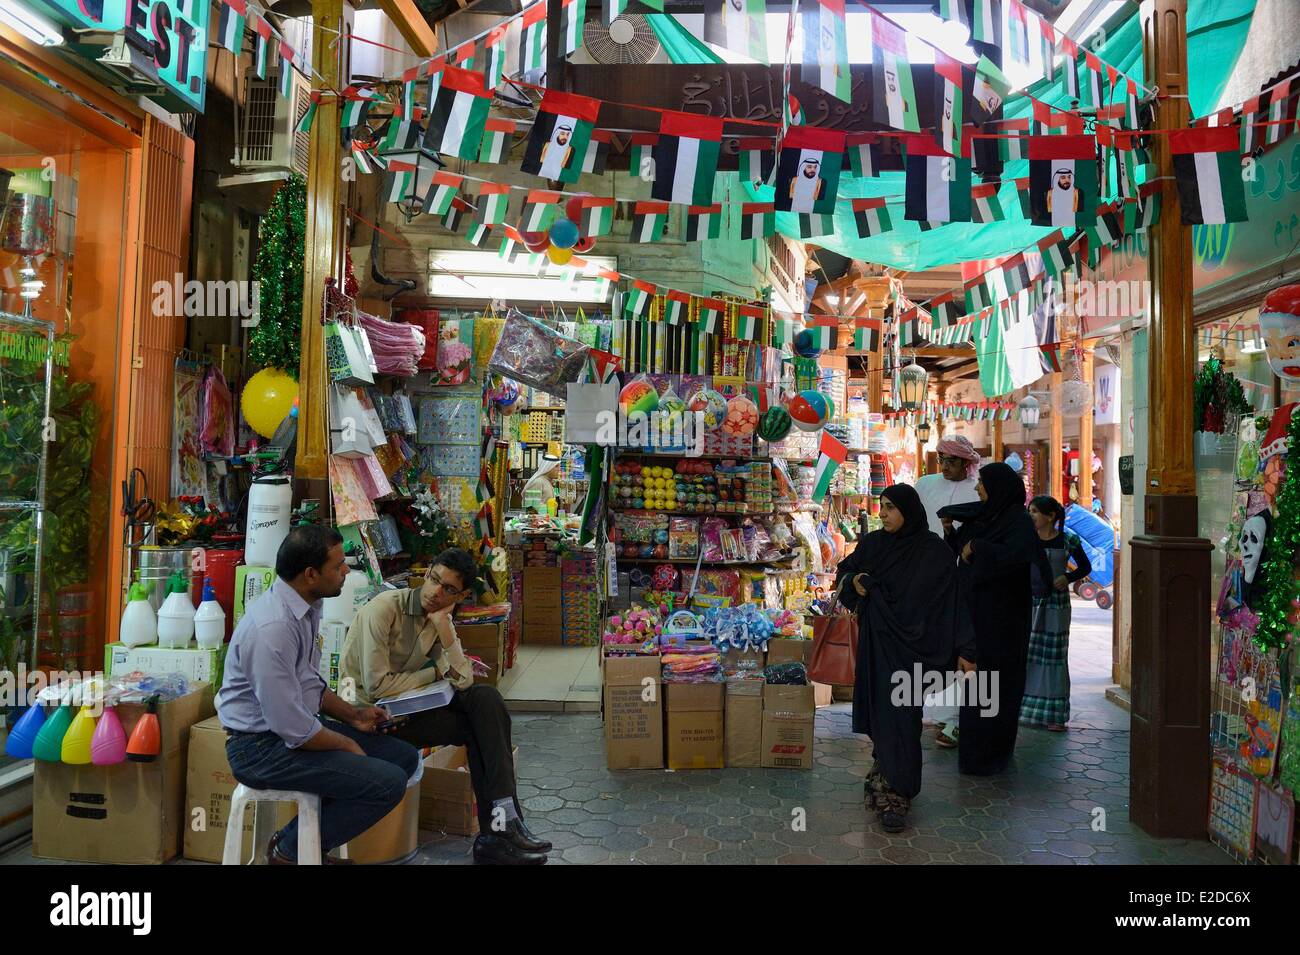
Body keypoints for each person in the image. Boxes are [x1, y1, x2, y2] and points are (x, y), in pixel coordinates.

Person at [218, 525, 420, 865]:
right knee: (386, 783)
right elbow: (293, 728)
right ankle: (291, 851)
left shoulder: (305, 607)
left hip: (285, 733)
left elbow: (309, 684)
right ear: (311, 574)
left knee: (403, 757)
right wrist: (347, 745)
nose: (346, 571)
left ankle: (304, 842)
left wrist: (355, 716)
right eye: (339, 565)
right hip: (259, 749)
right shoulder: (273, 630)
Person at [341, 547, 549, 865]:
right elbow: (377, 686)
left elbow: (464, 679)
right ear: (427, 574)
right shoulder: (384, 609)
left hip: (411, 710)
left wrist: (446, 631)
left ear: (461, 595)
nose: (436, 593)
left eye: (449, 590)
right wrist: (435, 671)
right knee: (482, 727)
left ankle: (501, 825)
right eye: (434, 580)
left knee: (486, 701)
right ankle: (498, 832)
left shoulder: (438, 619)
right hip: (372, 718)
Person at [834, 485, 971, 833]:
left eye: (891, 508)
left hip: (916, 652)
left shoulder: (934, 552)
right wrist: (856, 581)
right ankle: (888, 782)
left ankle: (898, 793)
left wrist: (967, 649)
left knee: (904, 721)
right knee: (884, 717)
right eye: (881, 507)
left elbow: (954, 603)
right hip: (878, 649)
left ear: (909, 510)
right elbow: (844, 575)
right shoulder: (874, 545)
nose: (884, 514)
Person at [938, 463, 1053, 777]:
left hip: (1005, 623)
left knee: (1000, 687)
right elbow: (961, 554)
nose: (977, 489)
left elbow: (1020, 560)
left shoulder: (1018, 524)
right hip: (976, 620)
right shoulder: (984, 519)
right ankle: (974, 755)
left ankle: (995, 754)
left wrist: (981, 547)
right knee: (977, 686)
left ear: (998, 488)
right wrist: (952, 532)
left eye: (982, 485)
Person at [913, 434, 982, 747]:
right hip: (926, 576)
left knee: (959, 647)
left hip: (963, 577)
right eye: (941, 459)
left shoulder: (978, 488)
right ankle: (924, 708)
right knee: (927, 642)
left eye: (952, 461)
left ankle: (954, 720)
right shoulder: (925, 485)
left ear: (966, 463)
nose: (945, 466)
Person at [1021, 496, 1092, 731]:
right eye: (1029, 511)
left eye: (1034, 512)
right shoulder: (1026, 540)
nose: (1030, 516)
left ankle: (1055, 715)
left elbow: (1085, 567)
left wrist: (1068, 577)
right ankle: (1025, 710)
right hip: (1029, 602)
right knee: (1028, 654)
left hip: (1056, 605)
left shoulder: (1067, 539)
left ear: (1050, 516)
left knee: (1054, 657)